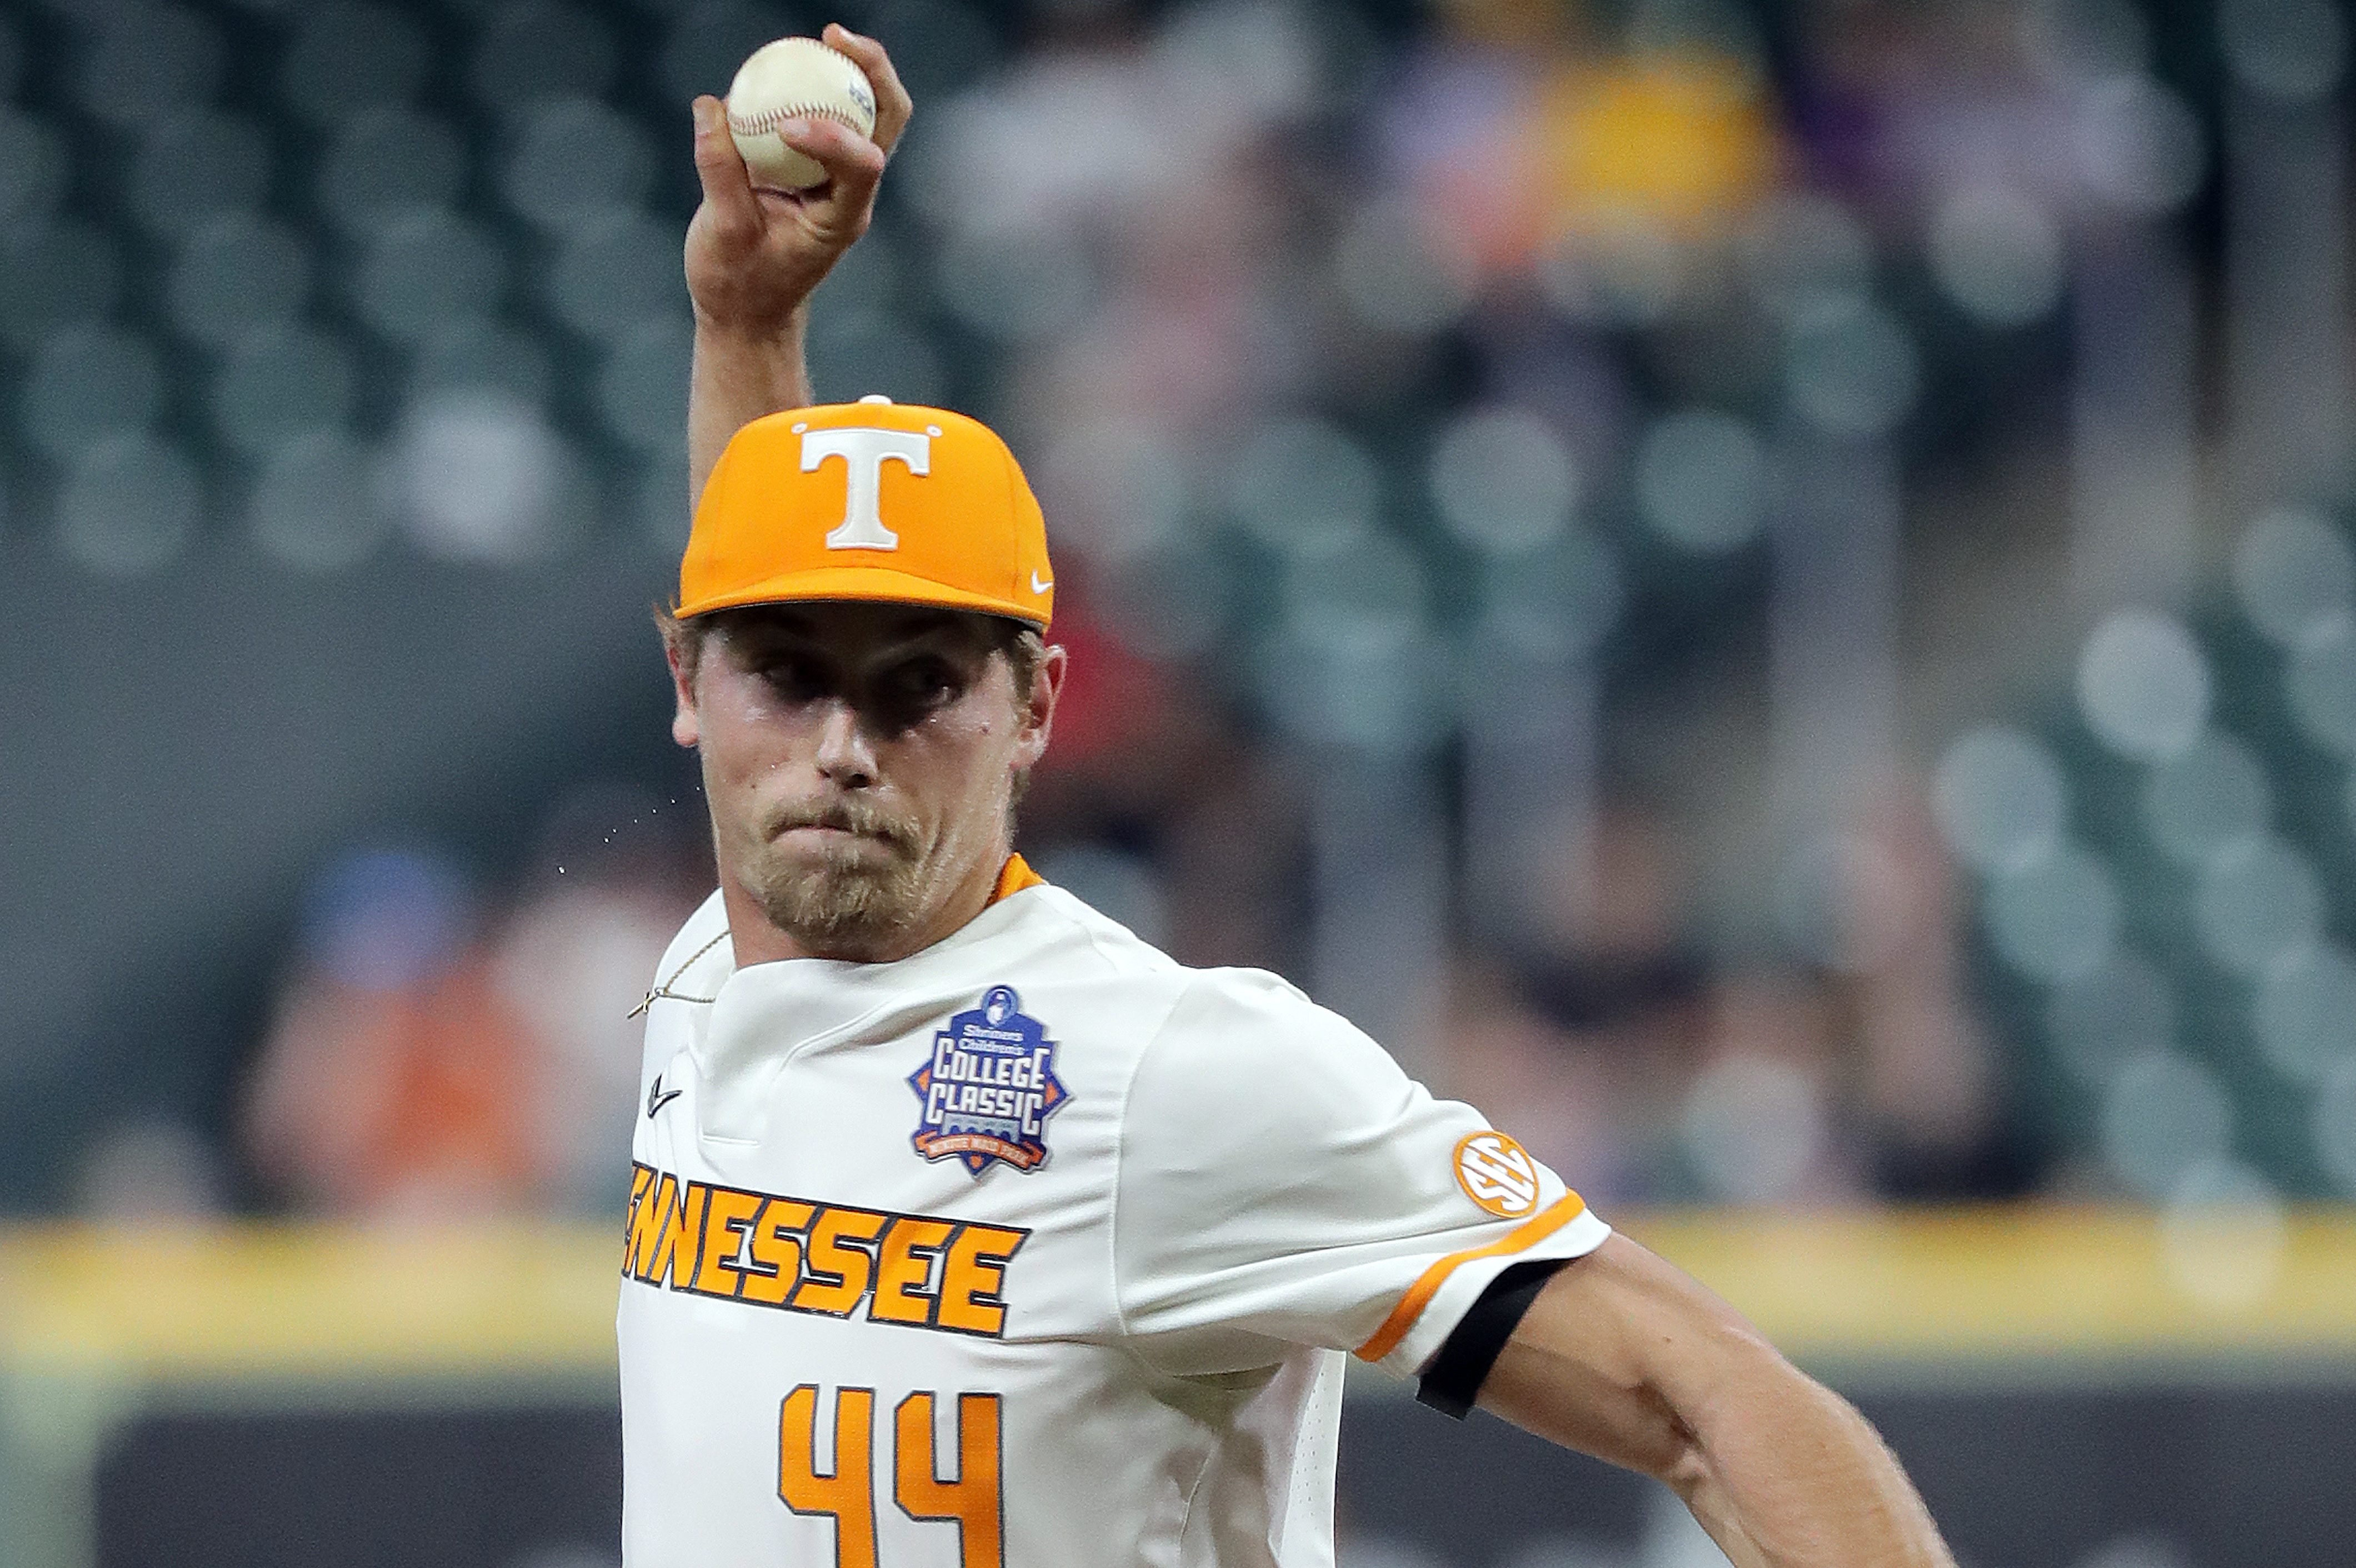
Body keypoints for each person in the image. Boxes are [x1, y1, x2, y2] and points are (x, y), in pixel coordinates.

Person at [620, 24, 1957, 1567]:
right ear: (689, 686)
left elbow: (1706, 1391)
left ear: (1036, 705)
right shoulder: (710, 968)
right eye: (788, 682)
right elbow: (756, 580)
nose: (842, 746)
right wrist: (747, 322)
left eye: (920, 686)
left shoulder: (1170, 1073)